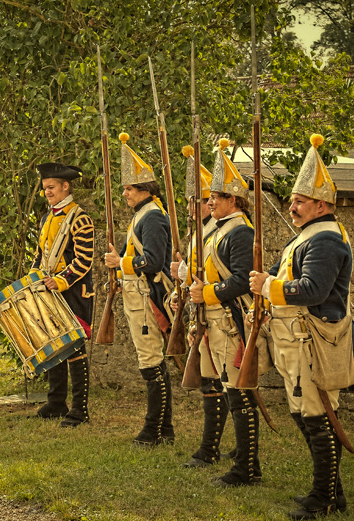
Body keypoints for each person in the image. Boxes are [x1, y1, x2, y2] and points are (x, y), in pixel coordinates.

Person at [249, 134, 354, 519]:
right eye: (292, 200)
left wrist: (269, 286)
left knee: (317, 415)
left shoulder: (325, 240)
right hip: (295, 338)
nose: (291, 206)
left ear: (321, 204)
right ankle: (332, 492)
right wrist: (263, 290)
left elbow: (312, 290)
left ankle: (323, 498)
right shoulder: (306, 237)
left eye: (299, 201)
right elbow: (278, 277)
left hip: (314, 338)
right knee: (302, 413)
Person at [185, 139, 261, 486]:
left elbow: (243, 281)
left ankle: (247, 468)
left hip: (231, 323)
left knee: (240, 395)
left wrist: (207, 293)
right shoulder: (218, 230)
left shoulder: (241, 231)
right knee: (227, 391)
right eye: (209, 196)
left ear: (234, 199)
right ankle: (238, 462)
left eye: (216, 196)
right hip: (215, 321)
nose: (209, 200)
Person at [103, 133, 175, 446]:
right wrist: (118, 270)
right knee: (153, 363)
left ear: (144, 189)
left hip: (148, 297)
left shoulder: (154, 217)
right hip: (137, 295)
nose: (124, 194)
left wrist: (120, 263)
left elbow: (155, 261)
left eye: (129, 188)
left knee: (150, 364)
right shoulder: (143, 215)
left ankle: (152, 431)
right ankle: (165, 429)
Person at [171, 147, 228, 468]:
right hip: (200, 310)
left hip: (219, 314)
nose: (192, 206)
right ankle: (212, 448)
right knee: (213, 383)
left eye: (198, 200)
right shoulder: (200, 233)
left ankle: (212, 449)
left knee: (221, 385)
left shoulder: (216, 233)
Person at [30, 162, 95, 427]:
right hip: (49, 290)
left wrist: (61, 281)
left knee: (75, 349)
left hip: (73, 292)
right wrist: (32, 279)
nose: (47, 192)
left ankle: (80, 409)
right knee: (53, 345)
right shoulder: (47, 218)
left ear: (66, 186)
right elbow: (40, 255)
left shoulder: (80, 219)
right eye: (45, 188)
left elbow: (84, 260)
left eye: (52, 187)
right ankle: (56, 402)